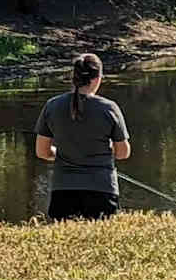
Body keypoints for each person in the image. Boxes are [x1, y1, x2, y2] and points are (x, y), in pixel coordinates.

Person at [34, 53, 131, 221]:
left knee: (65, 244)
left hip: (63, 189)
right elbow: (122, 153)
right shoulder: (109, 108)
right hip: (102, 190)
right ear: (97, 79)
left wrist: (64, 152)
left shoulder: (52, 105)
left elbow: (42, 152)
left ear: (73, 77)